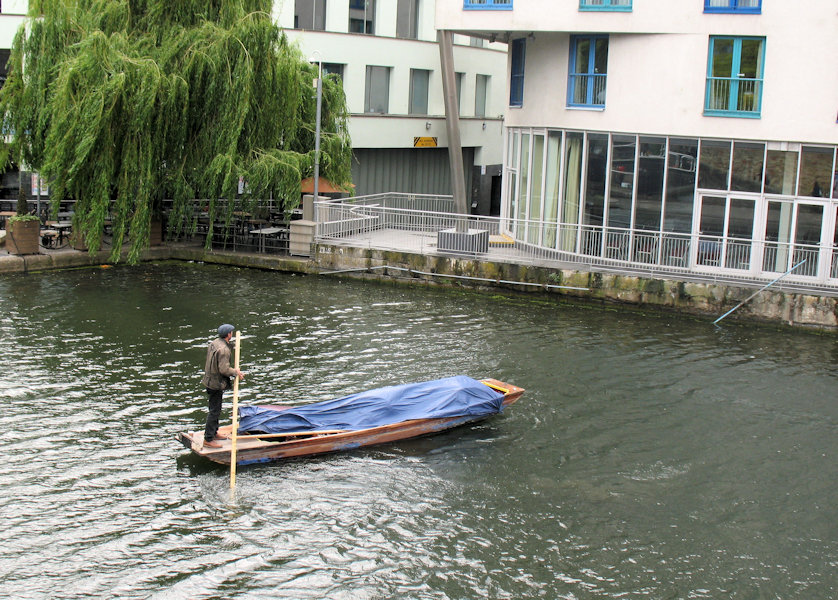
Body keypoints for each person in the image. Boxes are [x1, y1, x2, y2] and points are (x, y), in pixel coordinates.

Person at [201, 323, 245, 447]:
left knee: (216, 409)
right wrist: (235, 372)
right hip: (215, 384)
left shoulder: (214, 343)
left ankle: (214, 432)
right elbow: (224, 369)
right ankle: (208, 439)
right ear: (229, 335)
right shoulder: (224, 350)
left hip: (209, 380)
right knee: (214, 411)